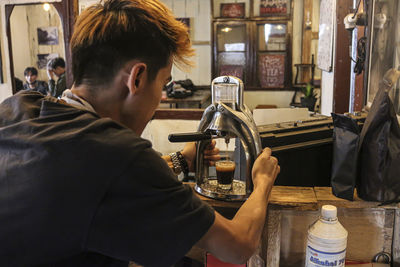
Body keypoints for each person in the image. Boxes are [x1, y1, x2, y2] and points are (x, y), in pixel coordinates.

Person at [0, 0, 280, 266]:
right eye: (162, 83)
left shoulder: (17, 109)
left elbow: (107, 183)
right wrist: (262, 180)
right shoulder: (118, 153)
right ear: (137, 78)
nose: (158, 101)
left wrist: (183, 160)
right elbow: (239, 245)